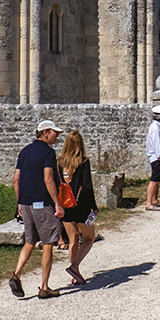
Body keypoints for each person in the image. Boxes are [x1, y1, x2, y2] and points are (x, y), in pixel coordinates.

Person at [9, 120, 65, 299]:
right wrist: (57, 203)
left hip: (26, 203)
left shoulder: (24, 151)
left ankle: (16, 274)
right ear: (45, 133)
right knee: (48, 243)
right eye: (55, 133)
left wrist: (20, 202)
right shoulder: (48, 152)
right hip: (42, 203)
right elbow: (48, 179)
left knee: (29, 241)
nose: (57, 136)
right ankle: (44, 287)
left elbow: (15, 180)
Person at [57, 129, 97, 286]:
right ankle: (74, 267)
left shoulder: (59, 162)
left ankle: (75, 275)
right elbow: (87, 186)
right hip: (81, 206)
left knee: (73, 239)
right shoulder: (83, 161)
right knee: (88, 238)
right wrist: (93, 207)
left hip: (65, 205)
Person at [144, 105, 160, 210]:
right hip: (156, 157)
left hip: (156, 156)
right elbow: (157, 144)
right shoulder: (156, 128)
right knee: (154, 180)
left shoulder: (156, 126)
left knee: (157, 180)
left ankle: (154, 199)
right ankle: (149, 203)